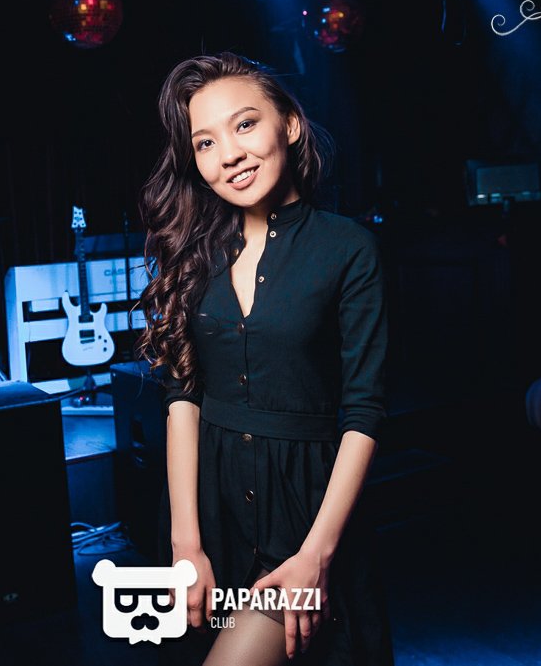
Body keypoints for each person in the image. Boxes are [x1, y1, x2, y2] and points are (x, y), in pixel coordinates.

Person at [136, 51, 394, 666]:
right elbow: (182, 398)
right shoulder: (193, 254)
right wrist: (185, 544)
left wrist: (315, 555)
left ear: (290, 125)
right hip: (212, 516)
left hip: (308, 514)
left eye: (245, 125)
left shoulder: (349, 248)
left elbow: (364, 411)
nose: (228, 154)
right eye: (205, 142)